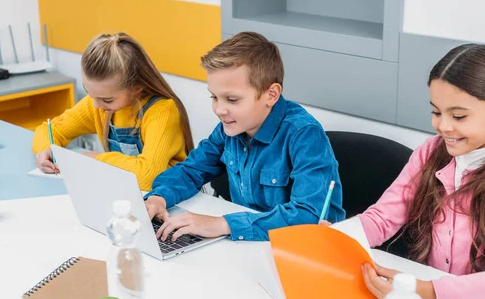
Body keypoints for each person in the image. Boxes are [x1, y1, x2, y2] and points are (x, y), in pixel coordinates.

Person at [351, 44, 485, 299]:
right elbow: (382, 218)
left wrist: (427, 290)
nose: (443, 126)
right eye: (436, 112)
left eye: (458, 115)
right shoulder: (431, 151)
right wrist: (339, 236)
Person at [146, 31, 345, 242]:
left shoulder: (304, 135)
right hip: (248, 244)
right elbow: (191, 170)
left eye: (232, 99)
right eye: (214, 97)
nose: (219, 110)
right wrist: (159, 197)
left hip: (304, 250)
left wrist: (221, 224)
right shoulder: (231, 127)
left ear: (271, 95)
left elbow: (308, 217)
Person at [32, 32, 194, 191]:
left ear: (136, 88)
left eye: (107, 100)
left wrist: (96, 160)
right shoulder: (100, 103)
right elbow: (51, 129)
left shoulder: (162, 111)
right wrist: (45, 149)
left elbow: (147, 177)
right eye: (90, 93)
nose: (96, 105)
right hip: (128, 193)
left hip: (173, 200)